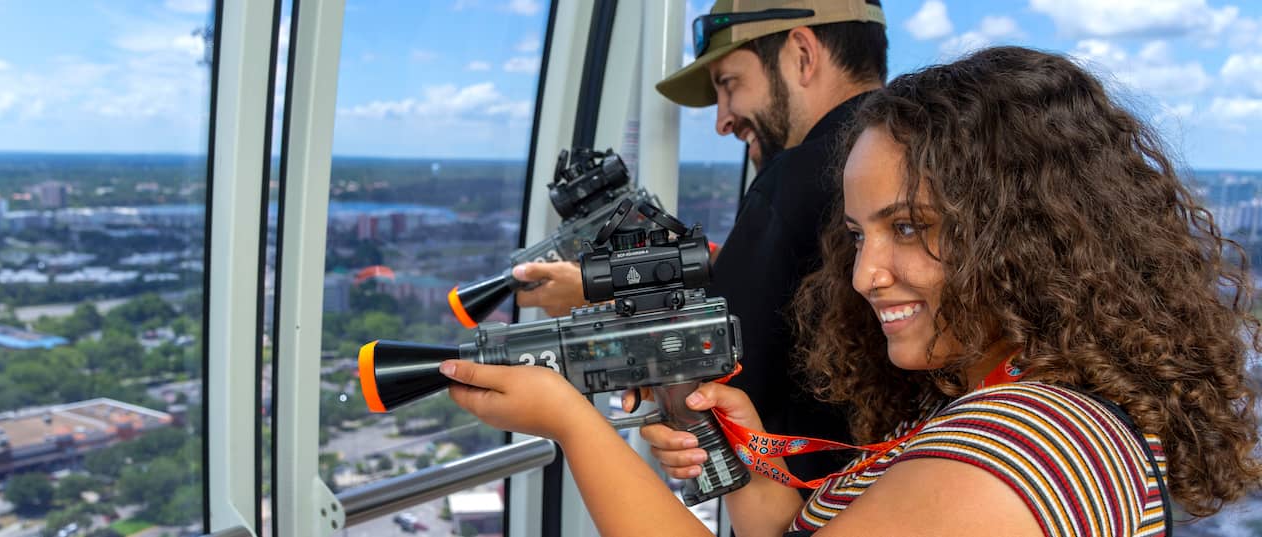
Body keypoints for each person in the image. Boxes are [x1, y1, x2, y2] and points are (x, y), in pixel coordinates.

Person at [441, 46, 1262, 536]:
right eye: (860, 233)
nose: (866, 273)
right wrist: (745, 451)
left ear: (1023, 231)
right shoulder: (1024, 406)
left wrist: (570, 420)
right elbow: (789, 526)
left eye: (909, 226)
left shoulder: (1016, 452)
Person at [511, 0, 889, 485]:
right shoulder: (913, 158)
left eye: (730, 84)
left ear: (802, 55)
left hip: (815, 500)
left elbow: (710, 362)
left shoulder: (797, 177)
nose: (723, 121)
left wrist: (597, 293)